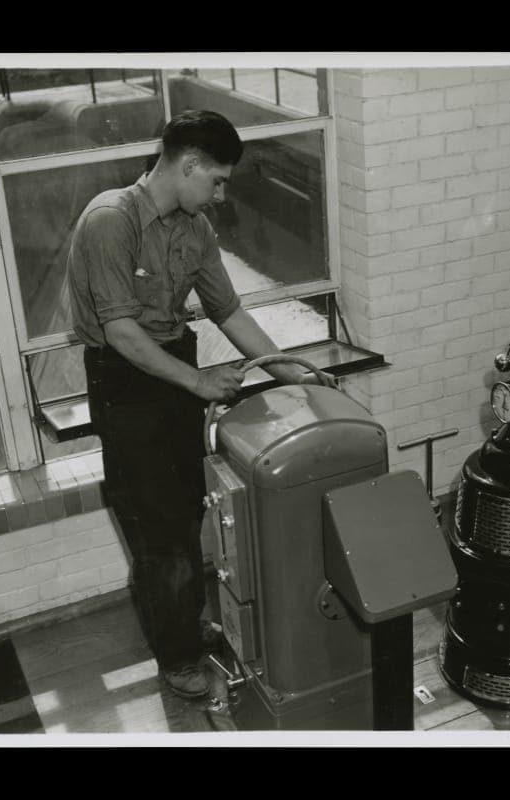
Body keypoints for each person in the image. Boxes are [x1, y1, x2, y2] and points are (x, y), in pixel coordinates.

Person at [67, 109, 332, 699]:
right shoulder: (112, 220)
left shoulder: (196, 230)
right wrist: (199, 383)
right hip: (125, 381)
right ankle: (178, 656)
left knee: (187, 512)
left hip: (171, 369)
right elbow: (123, 335)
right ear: (188, 165)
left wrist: (293, 373)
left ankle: (179, 625)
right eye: (216, 181)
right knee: (158, 531)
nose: (219, 195)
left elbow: (229, 312)